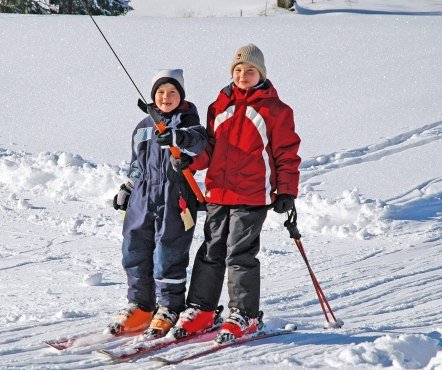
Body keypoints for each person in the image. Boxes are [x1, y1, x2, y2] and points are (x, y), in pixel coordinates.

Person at [170, 44, 302, 342]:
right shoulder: (219, 104)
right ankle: (202, 309)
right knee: (210, 250)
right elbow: (210, 150)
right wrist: (191, 160)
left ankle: (245, 314)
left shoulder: (277, 111)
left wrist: (287, 191)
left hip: (252, 195)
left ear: (261, 74)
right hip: (219, 191)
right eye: (238, 71)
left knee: (239, 254)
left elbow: (286, 153)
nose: (243, 76)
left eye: (250, 71)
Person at [108, 69, 208, 338]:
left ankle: (169, 307)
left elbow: (199, 145)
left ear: (181, 96)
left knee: (168, 251)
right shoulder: (142, 127)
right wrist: (128, 187)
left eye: (172, 92)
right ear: (153, 97)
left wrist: (178, 138)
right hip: (142, 196)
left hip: (174, 197)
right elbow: (136, 163)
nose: (166, 97)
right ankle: (141, 305)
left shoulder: (189, 124)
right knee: (134, 247)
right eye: (161, 92)